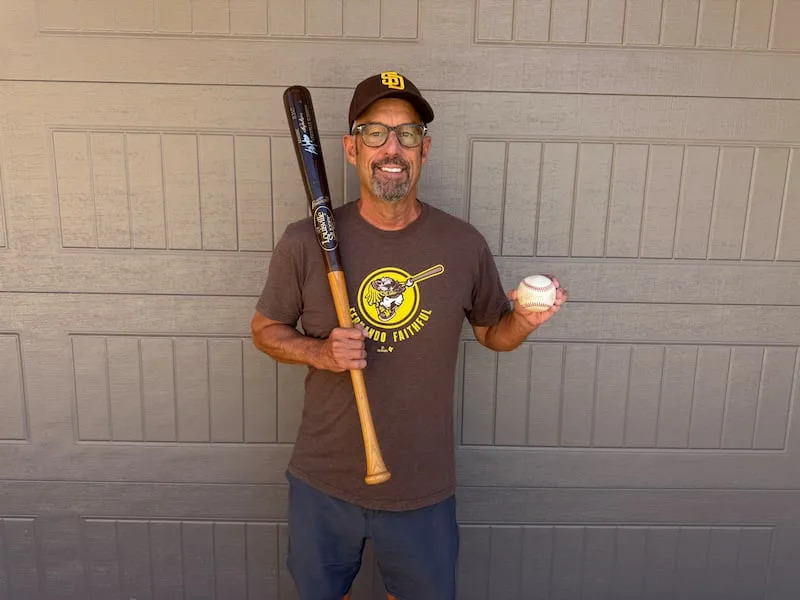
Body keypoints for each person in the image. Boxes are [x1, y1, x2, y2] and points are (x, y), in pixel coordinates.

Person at [251, 70, 567, 600]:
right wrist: (321, 352)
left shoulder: (462, 244)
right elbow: (265, 331)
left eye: (408, 133)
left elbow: (494, 333)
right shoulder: (304, 241)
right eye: (375, 132)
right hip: (324, 481)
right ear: (352, 149)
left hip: (423, 486)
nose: (391, 147)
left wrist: (524, 322)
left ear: (425, 149)